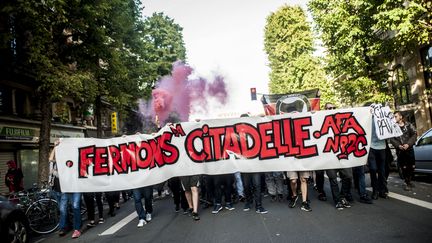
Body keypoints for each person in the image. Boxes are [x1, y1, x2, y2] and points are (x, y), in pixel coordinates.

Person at [52, 141, 82, 238]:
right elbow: (50, 159)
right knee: (62, 208)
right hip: (66, 188)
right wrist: (54, 147)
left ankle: (77, 229)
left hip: (76, 186)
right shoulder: (59, 162)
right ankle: (64, 227)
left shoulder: (74, 159)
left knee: (75, 206)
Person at [390, 111, 417, 191]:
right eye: (394, 117)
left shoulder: (409, 125)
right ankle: (407, 182)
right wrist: (398, 146)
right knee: (404, 167)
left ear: (401, 117)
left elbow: (414, 135)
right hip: (400, 151)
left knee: (412, 166)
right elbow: (392, 138)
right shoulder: (393, 127)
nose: (394, 118)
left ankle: (409, 180)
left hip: (409, 149)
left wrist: (408, 144)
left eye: (396, 116)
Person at [368, 110, 389, 199]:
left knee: (382, 170)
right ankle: (375, 190)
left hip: (382, 147)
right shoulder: (368, 120)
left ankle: (382, 190)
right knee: (373, 169)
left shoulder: (384, 119)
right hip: (371, 147)